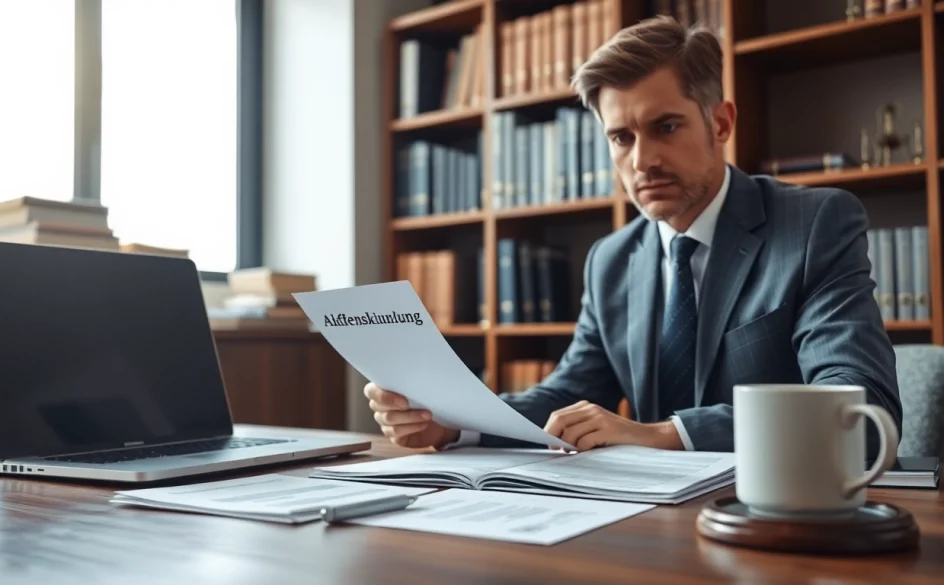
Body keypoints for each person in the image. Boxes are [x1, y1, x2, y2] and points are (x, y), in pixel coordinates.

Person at [365, 16, 902, 456]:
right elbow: (568, 395)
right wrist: (453, 424)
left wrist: (663, 434)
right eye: (621, 137)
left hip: (785, 512)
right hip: (655, 520)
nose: (642, 160)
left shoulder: (815, 224)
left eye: (665, 127)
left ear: (720, 124)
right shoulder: (612, 260)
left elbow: (856, 408)